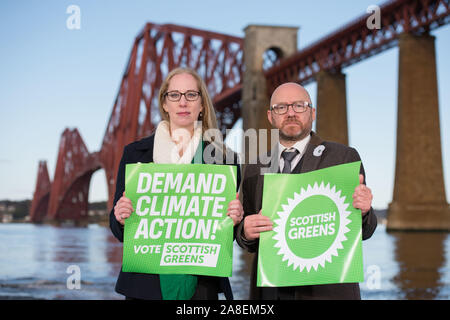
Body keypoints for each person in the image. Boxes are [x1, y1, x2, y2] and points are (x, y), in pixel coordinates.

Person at [110, 67, 244, 300]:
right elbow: (118, 229)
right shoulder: (135, 154)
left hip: (202, 285)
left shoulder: (226, 161)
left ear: (202, 105)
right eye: (175, 95)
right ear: (165, 104)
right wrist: (120, 217)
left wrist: (233, 219)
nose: (183, 102)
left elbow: (223, 236)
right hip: (145, 285)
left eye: (191, 95)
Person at [236, 82, 377, 300]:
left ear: (312, 112)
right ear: (270, 116)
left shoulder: (343, 158)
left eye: (299, 106)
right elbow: (247, 239)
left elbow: (365, 231)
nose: (291, 113)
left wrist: (365, 211)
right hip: (271, 293)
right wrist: (245, 231)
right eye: (281, 107)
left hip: (328, 292)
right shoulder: (255, 168)